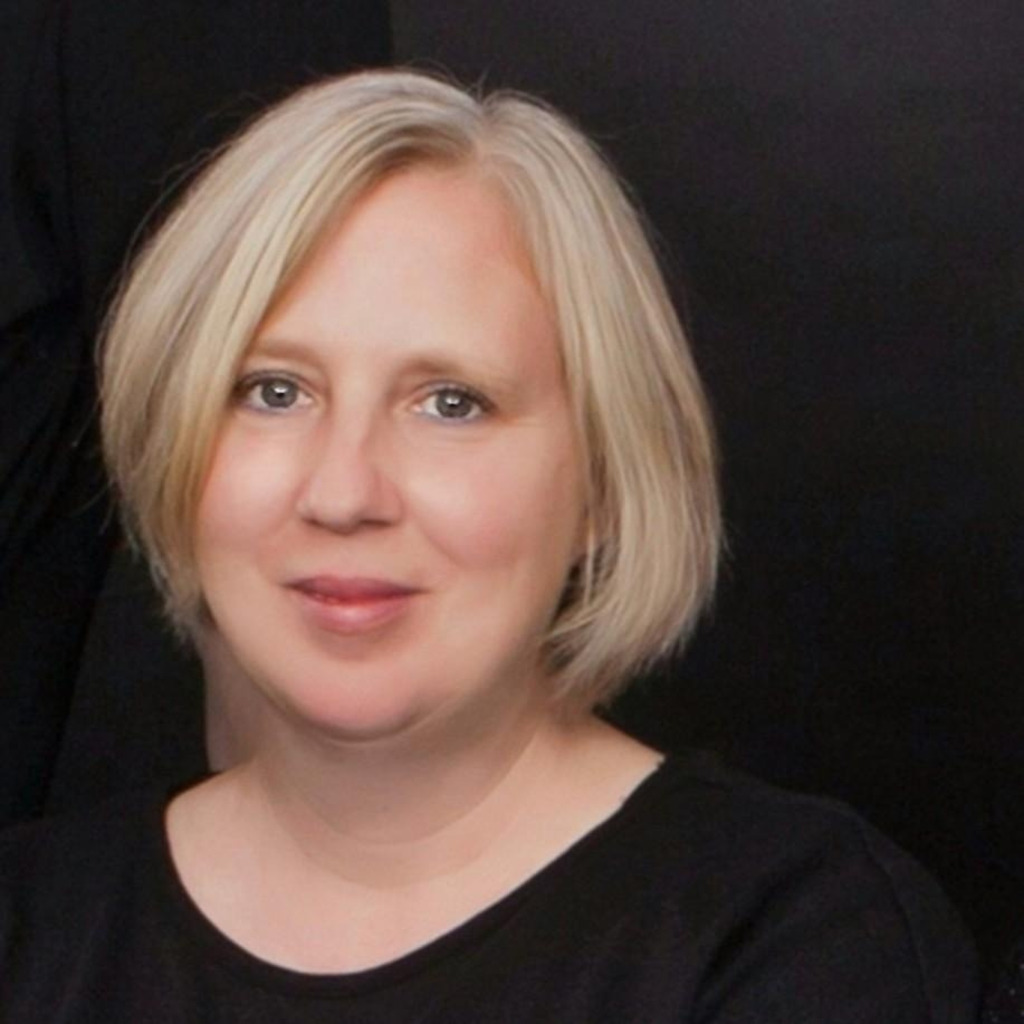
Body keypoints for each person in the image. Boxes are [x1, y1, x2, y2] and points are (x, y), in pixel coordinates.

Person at [0, 69, 977, 1021]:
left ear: (602, 480)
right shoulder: (29, 922)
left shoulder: (798, 938)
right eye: (274, 390)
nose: (343, 493)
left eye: (451, 403)